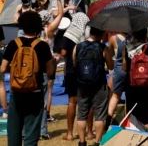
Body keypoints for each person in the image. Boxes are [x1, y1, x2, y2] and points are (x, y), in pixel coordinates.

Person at [0, 10, 56, 145]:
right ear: (38, 26)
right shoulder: (42, 45)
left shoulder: (14, 44)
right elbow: (50, 72)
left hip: (17, 91)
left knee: (14, 130)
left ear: (22, 26)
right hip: (35, 92)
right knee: (31, 133)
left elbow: (2, 68)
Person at [74, 26, 113, 146]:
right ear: (101, 35)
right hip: (99, 85)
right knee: (100, 115)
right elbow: (110, 66)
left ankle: (81, 142)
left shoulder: (78, 46)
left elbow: (75, 63)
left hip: (82, 85)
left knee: (81, 115)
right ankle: (97, 142)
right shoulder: (103, 47)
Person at [61, 12, 89, 141]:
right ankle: (89, 132)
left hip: (71, 71)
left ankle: (70, 133)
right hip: (86, 71)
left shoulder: (68, 34)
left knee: (72, 102)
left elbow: (63, 52)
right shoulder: (87, 34)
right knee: (88, 101)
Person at [123, 29, 148, 125]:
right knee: (146, 115)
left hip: (131, 83)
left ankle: (132, 136)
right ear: (145, 34)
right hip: (147, 84)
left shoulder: (127, 47)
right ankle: (144, 135)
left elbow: (124, 67)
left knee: (131, 113)